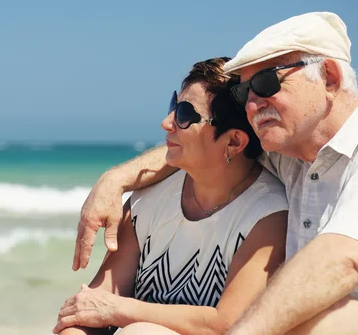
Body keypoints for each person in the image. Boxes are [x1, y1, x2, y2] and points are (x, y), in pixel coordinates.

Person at [72, 12, 358, 334]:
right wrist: (113, 181)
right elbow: (201, 150)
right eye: (245, 93)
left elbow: (343, 259)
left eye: (265, 83)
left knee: (327, 314)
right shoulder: (291, 153)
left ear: (328, 77)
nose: (252, 105)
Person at [54, 58, 288, 335]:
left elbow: (227, 323)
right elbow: (91, 307)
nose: (166, 123)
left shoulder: (269, 216)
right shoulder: (149, 199)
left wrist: (119, 311)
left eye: (185, 115)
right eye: (173, 106)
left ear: (234, 142)